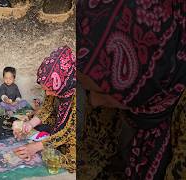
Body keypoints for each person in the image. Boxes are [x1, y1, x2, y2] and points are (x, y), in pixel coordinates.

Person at [77, 0, 186, 179]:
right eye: (87, 90)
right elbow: (93, 150)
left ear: (147, 73)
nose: (93, 102)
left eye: (103, 93)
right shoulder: (119, 86)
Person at [13, 45, 77, 172]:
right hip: (62, 124)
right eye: (45, 89)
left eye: (49, 90)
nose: (47, 93)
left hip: (75, 131)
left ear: (63, 83)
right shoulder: (57, 86)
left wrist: (36, 147)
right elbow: (47, 108)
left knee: (69, 158)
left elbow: (68, 132)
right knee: (40, 125)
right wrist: (30, 124)